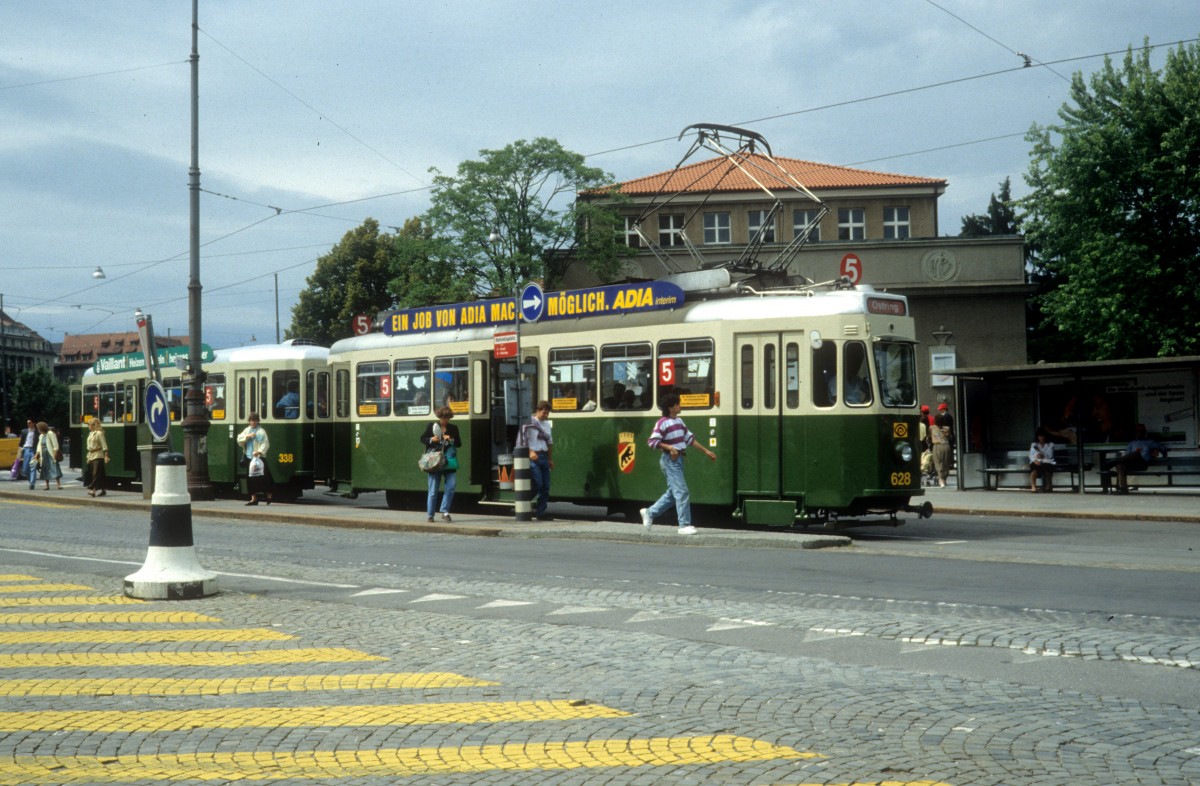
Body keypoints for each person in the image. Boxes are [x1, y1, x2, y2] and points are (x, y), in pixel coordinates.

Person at [639, 393, 716, 535]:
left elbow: (690, 440)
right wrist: (670, 448)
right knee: (682, 491)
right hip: (670, 460)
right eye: (677, 404)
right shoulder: (662, 422)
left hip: (678, 460)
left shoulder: (679, 421)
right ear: (671, 407)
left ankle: (649, 513)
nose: (680, 406)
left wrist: (706, 451)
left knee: (673, 493)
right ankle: (684, 525)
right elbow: (652, 442)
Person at [420, 406, 461, 522]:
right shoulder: (432, 426)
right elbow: (422, 439)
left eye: (447, 418)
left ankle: (445, 511)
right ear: (439, 417)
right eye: (443, 418)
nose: (445, 421)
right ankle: (430, 515)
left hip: (448, 461)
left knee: (451, 486)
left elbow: (458, 443)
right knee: (433, 490)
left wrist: (451, 439)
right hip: (435, 461)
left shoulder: (453, 428)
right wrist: (432, 440)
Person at [1102, 424, 1167, 494]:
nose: (1138, 433)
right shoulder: (1132, 443)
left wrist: (1155, 451)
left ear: (1144, 432)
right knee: (1119, 465)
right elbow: (1127, 456)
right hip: (1131, 463)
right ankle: (1123, 489)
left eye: (1140, 431)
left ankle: (1112, 462)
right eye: (1137, 431)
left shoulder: (1150, 442)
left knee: (1136, 454)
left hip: (1142, 463)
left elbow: (1163, 449)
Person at [517, 400, 555, 520]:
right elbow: (521, 441)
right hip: (533, 457)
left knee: (546, 487)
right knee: (538, 483)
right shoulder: (528, 423)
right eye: (544, 413)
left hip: (543, 456)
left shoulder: (547, 425)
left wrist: (550, 459)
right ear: (537, 410)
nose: (546, 415)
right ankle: (522, 502)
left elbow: (549, 443)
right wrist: (530, 452)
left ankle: (541, 513)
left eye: (547, 413)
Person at [236, 413, 273, 505]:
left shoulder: (261, 431)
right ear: (249, 421)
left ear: (258, 421)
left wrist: (259, 451)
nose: (253, 422)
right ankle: (254, 498)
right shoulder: (247, 430)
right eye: (251, 421)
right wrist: (247, 436)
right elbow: (239, 439)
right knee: (250, 479)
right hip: (249, 457)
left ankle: (269, 495)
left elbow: (265, 443)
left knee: (264, 477)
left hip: (259, 458)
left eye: (255, 420)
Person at [31, 421, 62, 491]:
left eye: (38, 428)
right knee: (45, 469)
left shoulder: (50, 433)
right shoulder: (41, 436)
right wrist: (37, 454)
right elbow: (39, 446)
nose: (38, 429)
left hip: (50, 453)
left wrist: (55, 452)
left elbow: (55, 443)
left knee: (55, 468)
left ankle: (58, 485)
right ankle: (47, 485)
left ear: (41, 428)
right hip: (44, 455)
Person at [85, 417, 110, 497]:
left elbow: (104, 445)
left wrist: (106, 455)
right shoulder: (90, 434)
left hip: (98, 455)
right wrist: (88, 457)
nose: (88, 426)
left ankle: (93, 490)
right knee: (97, 473)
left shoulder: (99, 433)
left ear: (94, 425)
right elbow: (89, 447)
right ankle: (103, 490)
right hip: (91, 455)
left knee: (96, 473)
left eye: (89, 425)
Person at [929, 406, 953, 488]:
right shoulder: (947, 428)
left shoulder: (931, 428)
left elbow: (928, 437)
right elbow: (950, 436)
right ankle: (944, 479)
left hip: (937, 446)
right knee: (946, 463)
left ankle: (941, 480)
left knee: (938, 463)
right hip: (946, 446)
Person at [1028, 426, 1056, 493]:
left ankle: (1049, 486)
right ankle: (1033, 486)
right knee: (1034, 468)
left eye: (1043, 436)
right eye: (1040, 436)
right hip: (1036, 461)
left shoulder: (1051, 444)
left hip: (1047, 461)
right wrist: (1035, 460)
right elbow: (1031, 455)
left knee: (1047, 468)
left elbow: (1050, 456)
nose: (1041, 437)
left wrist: (1043, 455)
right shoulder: (1034, 444)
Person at [19, 419, 37, 488]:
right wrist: (19, 454)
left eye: (29, 423)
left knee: (33, 467)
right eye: (27, 423)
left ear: (33, 423)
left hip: (34, 451)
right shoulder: (24, 431)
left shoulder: (37, 432)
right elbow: (21, 443)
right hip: (26, 450)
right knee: (25, 469)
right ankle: (30, 481)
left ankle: (32, 484)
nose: (28, 424)